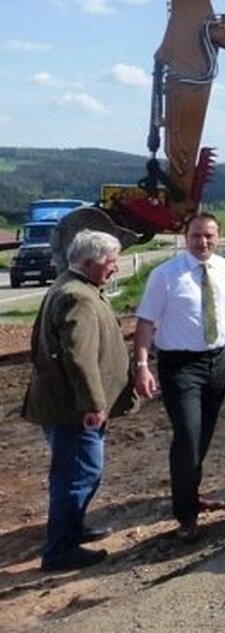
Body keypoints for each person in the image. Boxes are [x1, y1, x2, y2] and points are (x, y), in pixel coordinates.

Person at [22, 230, 147, 572]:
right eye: (111, 262)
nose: (115, 267)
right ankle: (60, 549)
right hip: (74, 411)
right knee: (79, 474)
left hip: (67, 406)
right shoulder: (79, 297)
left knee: (78, 472)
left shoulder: (75, 286)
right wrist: (93, 404)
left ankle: (72, 530)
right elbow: (79, 357)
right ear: (89, 262)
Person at [133, 212, 225, 541]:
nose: (203, 242)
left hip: (219, 360)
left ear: (218, 237)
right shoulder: (165, 275)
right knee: (186, 435)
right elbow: (144, 323)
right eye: (197, 236)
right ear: (186, 238)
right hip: (180, 366)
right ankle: (185, 514)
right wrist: (141, 365)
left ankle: (192, 494)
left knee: (202, 437)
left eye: (209, 236)